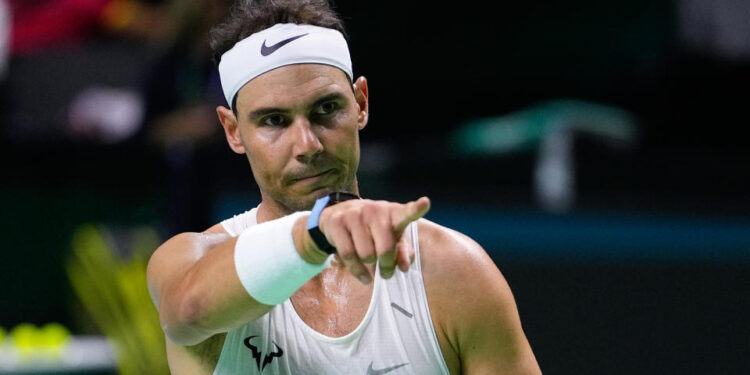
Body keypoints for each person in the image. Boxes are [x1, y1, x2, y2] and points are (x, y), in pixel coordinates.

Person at [146, 0, 542, 374]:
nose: (307, 145)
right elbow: (189, 311)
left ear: (361, 104)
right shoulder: (190, 260)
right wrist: (315, 233)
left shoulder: (453, 271)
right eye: (274, 121)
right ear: (233, 131)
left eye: (326, 109)